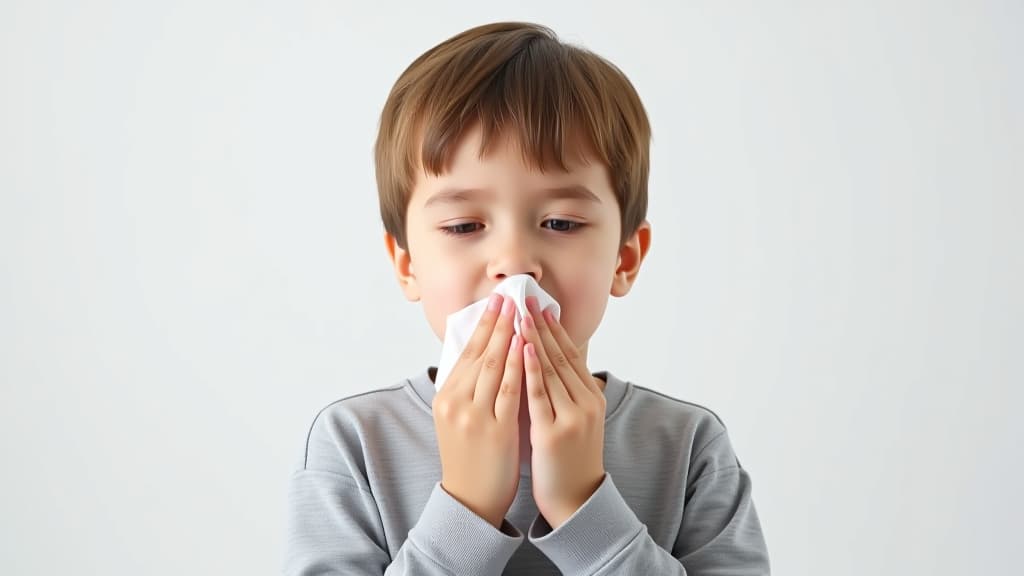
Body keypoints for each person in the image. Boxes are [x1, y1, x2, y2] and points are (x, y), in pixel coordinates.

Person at [283, 21, 770, 575]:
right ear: (407, 263)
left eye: (561, 222)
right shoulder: (356, 447)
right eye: (465, 226)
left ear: (624, 258)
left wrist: (586, 511)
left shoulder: (686, 448)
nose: (515, 262)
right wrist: (466, 508)